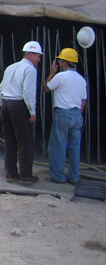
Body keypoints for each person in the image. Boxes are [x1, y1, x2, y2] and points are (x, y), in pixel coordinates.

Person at [0, 41, 43, 184]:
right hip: (18, 105)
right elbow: (28, 92)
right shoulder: (30, 70)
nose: (39, 60)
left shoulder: (11, 67)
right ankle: (26, 176)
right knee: (25, 142)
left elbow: (1, 87)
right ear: (30, 55)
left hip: (6, 103)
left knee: (10, 141)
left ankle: (10, 173)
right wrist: (32, 111)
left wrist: (2, 105)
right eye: (38, 56)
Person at [44, 48, 87, 185]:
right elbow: (83, 101)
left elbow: (46, 88)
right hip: (77, 115)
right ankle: (74, 177)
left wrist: (52, 72)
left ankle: (58, 176)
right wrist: (77, 114)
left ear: (64, 62)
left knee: (58, 146)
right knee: (74, 148)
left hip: (63, 113)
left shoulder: (61, 76)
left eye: (60, 61)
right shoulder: (81, 79)